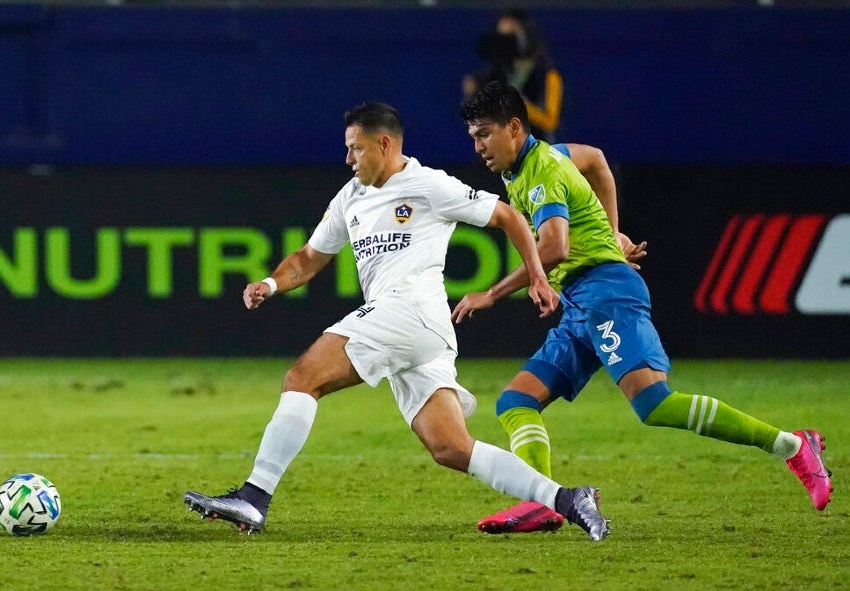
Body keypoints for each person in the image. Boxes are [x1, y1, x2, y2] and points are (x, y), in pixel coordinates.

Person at [183, 102, 610, 541]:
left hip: (409, 310)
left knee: (302, 377)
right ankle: (568, 499)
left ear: (384, 144)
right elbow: (309, 259)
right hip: (422, 331)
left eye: (355, 148)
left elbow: (508, 216)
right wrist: (270, 285)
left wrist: (536, 277)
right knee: (451, 448)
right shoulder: (351, 196)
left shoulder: (427, 184)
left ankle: (254, 498)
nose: (349, 159)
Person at [454, 81, 833, 534]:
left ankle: (793, 446)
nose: (477, 147)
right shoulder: (543, 157)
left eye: (483, 134)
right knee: (517, 400)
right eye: (473, 136)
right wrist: (613, 231)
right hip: (581, 299)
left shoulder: (541, 172)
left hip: (606, 292)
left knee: (654, 404)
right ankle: (541, 501)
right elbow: (594, 157)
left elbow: (553, 246)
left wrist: (491, 293)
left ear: (514, 127)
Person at [462, 9, 563, 143]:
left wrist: (518, 104)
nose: (507, 47)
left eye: (512, 40)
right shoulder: (497, 76)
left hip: (538, 150)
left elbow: (549, 121)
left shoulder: (547, 75)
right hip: (505, 153)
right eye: (503, 42)